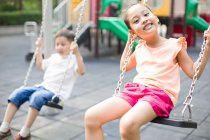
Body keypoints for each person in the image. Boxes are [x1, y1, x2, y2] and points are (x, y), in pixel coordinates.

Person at [84, 2, 210, 140]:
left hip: (160, 94)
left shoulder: (174, 45)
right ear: (133, 32)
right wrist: (130, 41)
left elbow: (194, 72)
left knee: (127, 124)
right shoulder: (140, 48)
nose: (143, 19)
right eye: (136, 20)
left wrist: (207, 46)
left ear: (155, 18)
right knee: (91, 117)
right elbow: (124, 66)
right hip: (135, 91)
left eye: (146, 14)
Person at [0, 30, 85, 140]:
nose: (59, 47)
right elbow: (39, 65)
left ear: (72, 45)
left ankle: (25, 133)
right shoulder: (54, 57)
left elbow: (82, 71)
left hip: (55, 93)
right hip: (41, 87)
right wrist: (39, 48)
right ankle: (4, 128)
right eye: (57, 44)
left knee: (37, 97)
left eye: (63, 44)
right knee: (18, 93)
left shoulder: (74, 60)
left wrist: (77, 53)